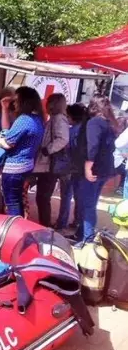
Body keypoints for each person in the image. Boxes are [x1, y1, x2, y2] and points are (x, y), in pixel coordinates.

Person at [0, 87, 45, 217]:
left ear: (24, 101)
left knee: (12, 204)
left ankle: (14, 231)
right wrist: (4, 109)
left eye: (16, 99)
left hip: (14, 169)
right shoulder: (37, 119)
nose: (14, 102)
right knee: (17, 202)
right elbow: (7, 132)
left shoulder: (24, 120)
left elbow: (7, 142)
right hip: (25, 167)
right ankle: (18, 227)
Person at [75, 94, 119, 241]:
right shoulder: (109, 124)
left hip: (94, 170)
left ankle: (87, 240)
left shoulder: (94, 122)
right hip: (105, 170)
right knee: (91, 204)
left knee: (88, 205)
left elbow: (92, 146)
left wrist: (88, 167)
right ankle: (83, 235)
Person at [32, 93, 70, 227]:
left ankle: (45, 226)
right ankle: (44, 225)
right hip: (47, 165)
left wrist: (48, 149)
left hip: (50, 165)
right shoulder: (54, 118)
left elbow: (63, 139)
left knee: (43, 197)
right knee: (42, 197)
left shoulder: (59, 119)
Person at [55, 102, 87, 231]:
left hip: (68, 168)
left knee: (66, 197)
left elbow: (66, 150)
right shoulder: (86, 130)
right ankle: (77, 222)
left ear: (72, 117)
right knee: (79, 198)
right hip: (81, 169)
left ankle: (61, 223)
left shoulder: (70, 131)